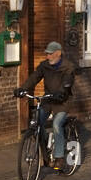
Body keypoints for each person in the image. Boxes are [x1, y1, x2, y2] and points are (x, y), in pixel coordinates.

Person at [17, 42, 76, 171]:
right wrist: (23, 89)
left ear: (58, 53)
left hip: (62, 101)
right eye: (47, 54)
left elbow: (67, 81)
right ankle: (45, 155)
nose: (48, 56)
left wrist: (62, 92)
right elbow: (34, 77)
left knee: (56, 125)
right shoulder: (44, 66)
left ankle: (59, 157)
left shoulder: (68, 66)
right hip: (48, 99)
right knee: (37, 123)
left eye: (50, 54)